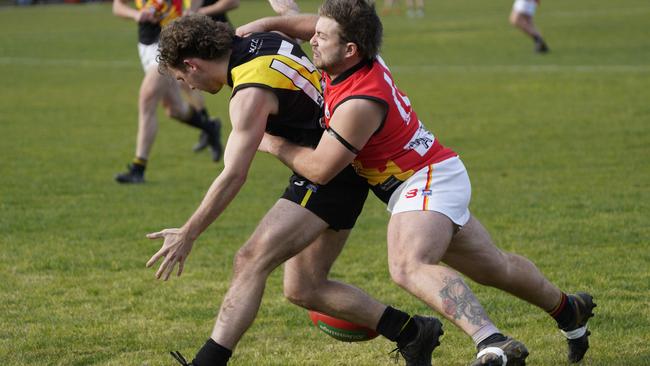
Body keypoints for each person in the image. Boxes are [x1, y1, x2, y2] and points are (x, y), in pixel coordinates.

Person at [239, 0, 595, 364]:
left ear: (349, 49)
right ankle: (569, 309)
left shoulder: (361, 98)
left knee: (408, 262)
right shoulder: (353, 58)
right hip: (429, 174)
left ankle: (492, 341)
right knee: (494, 267)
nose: (312, 39)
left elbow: (319, 168)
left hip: (425, 179)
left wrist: (272, 142)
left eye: (321, 37)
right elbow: (314, 25)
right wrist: (268, 21)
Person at [147, 14, 445, 366]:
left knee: (250, 259)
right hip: (342, 162)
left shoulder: (249, 96)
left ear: (192, 64)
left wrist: (188, 232)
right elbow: (295, 23)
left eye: (184, 79)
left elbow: (233, 175)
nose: (190, 87)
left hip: (327, 174)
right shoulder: (265, 39)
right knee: (304, 287)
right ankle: (412, 332)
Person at [111, 0, 238, 184]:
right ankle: (209, 127)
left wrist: (192, 10)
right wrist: (136, 15)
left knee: (147, 98)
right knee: (174, 109)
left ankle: (138, 167)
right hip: (145, 44)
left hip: (167, 42)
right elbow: (117, 6)